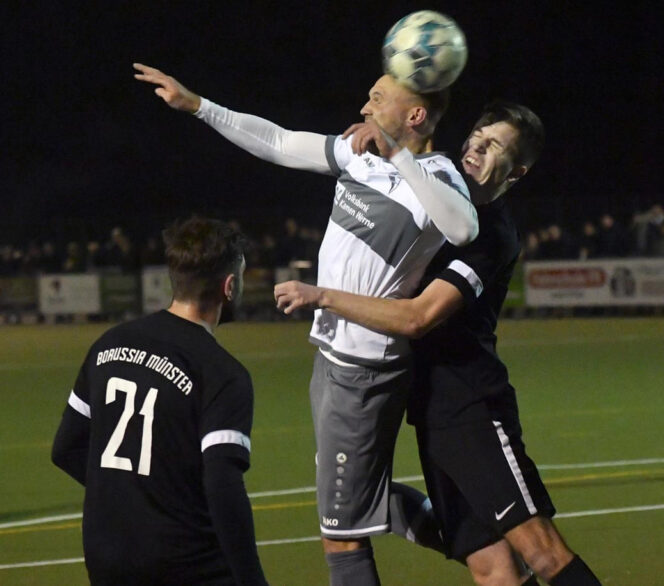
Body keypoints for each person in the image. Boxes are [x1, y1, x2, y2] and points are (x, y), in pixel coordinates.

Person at [134, 63, 478, 586]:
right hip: (332, 359)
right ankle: (486, 546)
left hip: (365, 368)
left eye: (378, 99)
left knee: (339, 531)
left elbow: (463, 227)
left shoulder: (437, 177)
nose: (365, 107)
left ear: (414, 115)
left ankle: (487, 548)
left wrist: (400, 154)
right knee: (350, 491)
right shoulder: (358, 156)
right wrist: (199, 105)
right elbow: (276, 140)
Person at [275, 102, 601, 585]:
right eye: (477, 134)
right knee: (491, 567)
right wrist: (379, 130)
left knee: (543, 550)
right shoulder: (438, 183)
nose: (476, 148)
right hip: (428, 409)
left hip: (470, 407)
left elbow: (418, 316)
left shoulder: (490, 234)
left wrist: (323, 296)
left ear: (518, 171)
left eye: (495, 147)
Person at [52, 216, 269, 586]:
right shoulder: (222, 374)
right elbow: (222, 487)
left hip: (106, 557)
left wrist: (134, 500)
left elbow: (66, 449)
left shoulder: (108, 344)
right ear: (229, 286)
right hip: (186, 564)